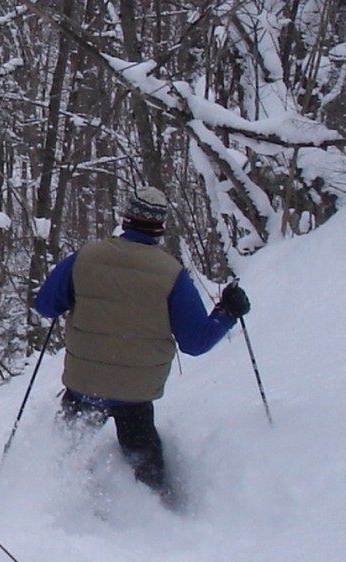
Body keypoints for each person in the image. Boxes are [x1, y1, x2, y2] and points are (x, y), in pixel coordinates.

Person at [34, 185, 250, 508]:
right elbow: (195, 341)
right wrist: (227, 312)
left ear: (127, 218)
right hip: (134, 394)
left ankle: (41, 505)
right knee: (145, 463)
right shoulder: (171, 275)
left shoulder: (86, 258)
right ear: (160, 228)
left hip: (84, 385)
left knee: (59, 455)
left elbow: (46, 305)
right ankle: (159, 516)